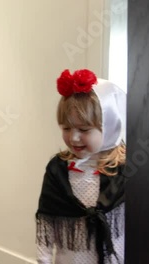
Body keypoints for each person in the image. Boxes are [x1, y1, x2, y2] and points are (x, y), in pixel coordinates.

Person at [36, 69, 127, 264]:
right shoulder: (58, 170)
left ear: (110, 127)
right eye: (66, 128)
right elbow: (47, 219)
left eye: (84, 129)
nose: (73, 137)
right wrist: (43, 260)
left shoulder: (123, 170)